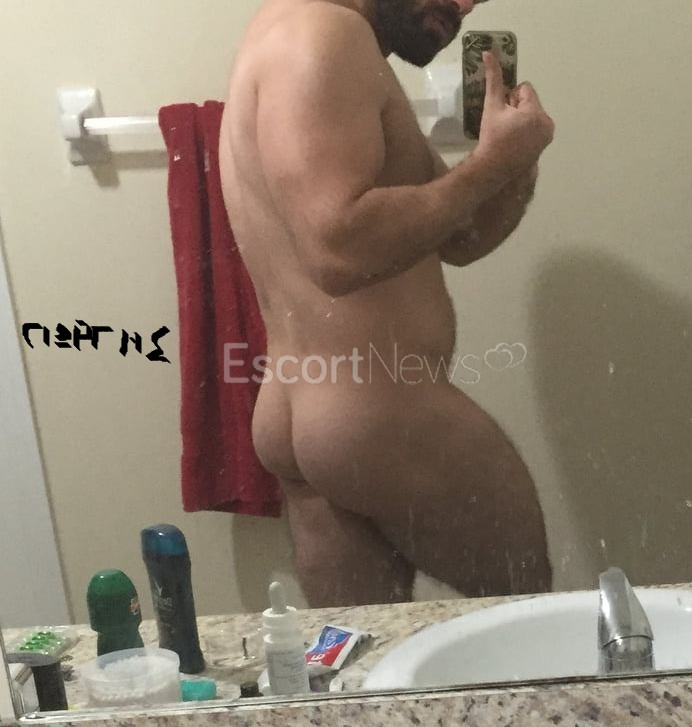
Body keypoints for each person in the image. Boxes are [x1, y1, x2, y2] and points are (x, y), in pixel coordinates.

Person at [218, 0, 555, 606]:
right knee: (528, 619)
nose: (466, 4)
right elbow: (338, 248)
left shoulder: (303, 40)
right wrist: (491, 165)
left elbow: (459, 237)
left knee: (366, 655)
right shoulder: (322, 34)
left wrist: (514, 163)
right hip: (376, 410)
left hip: (307, 410)